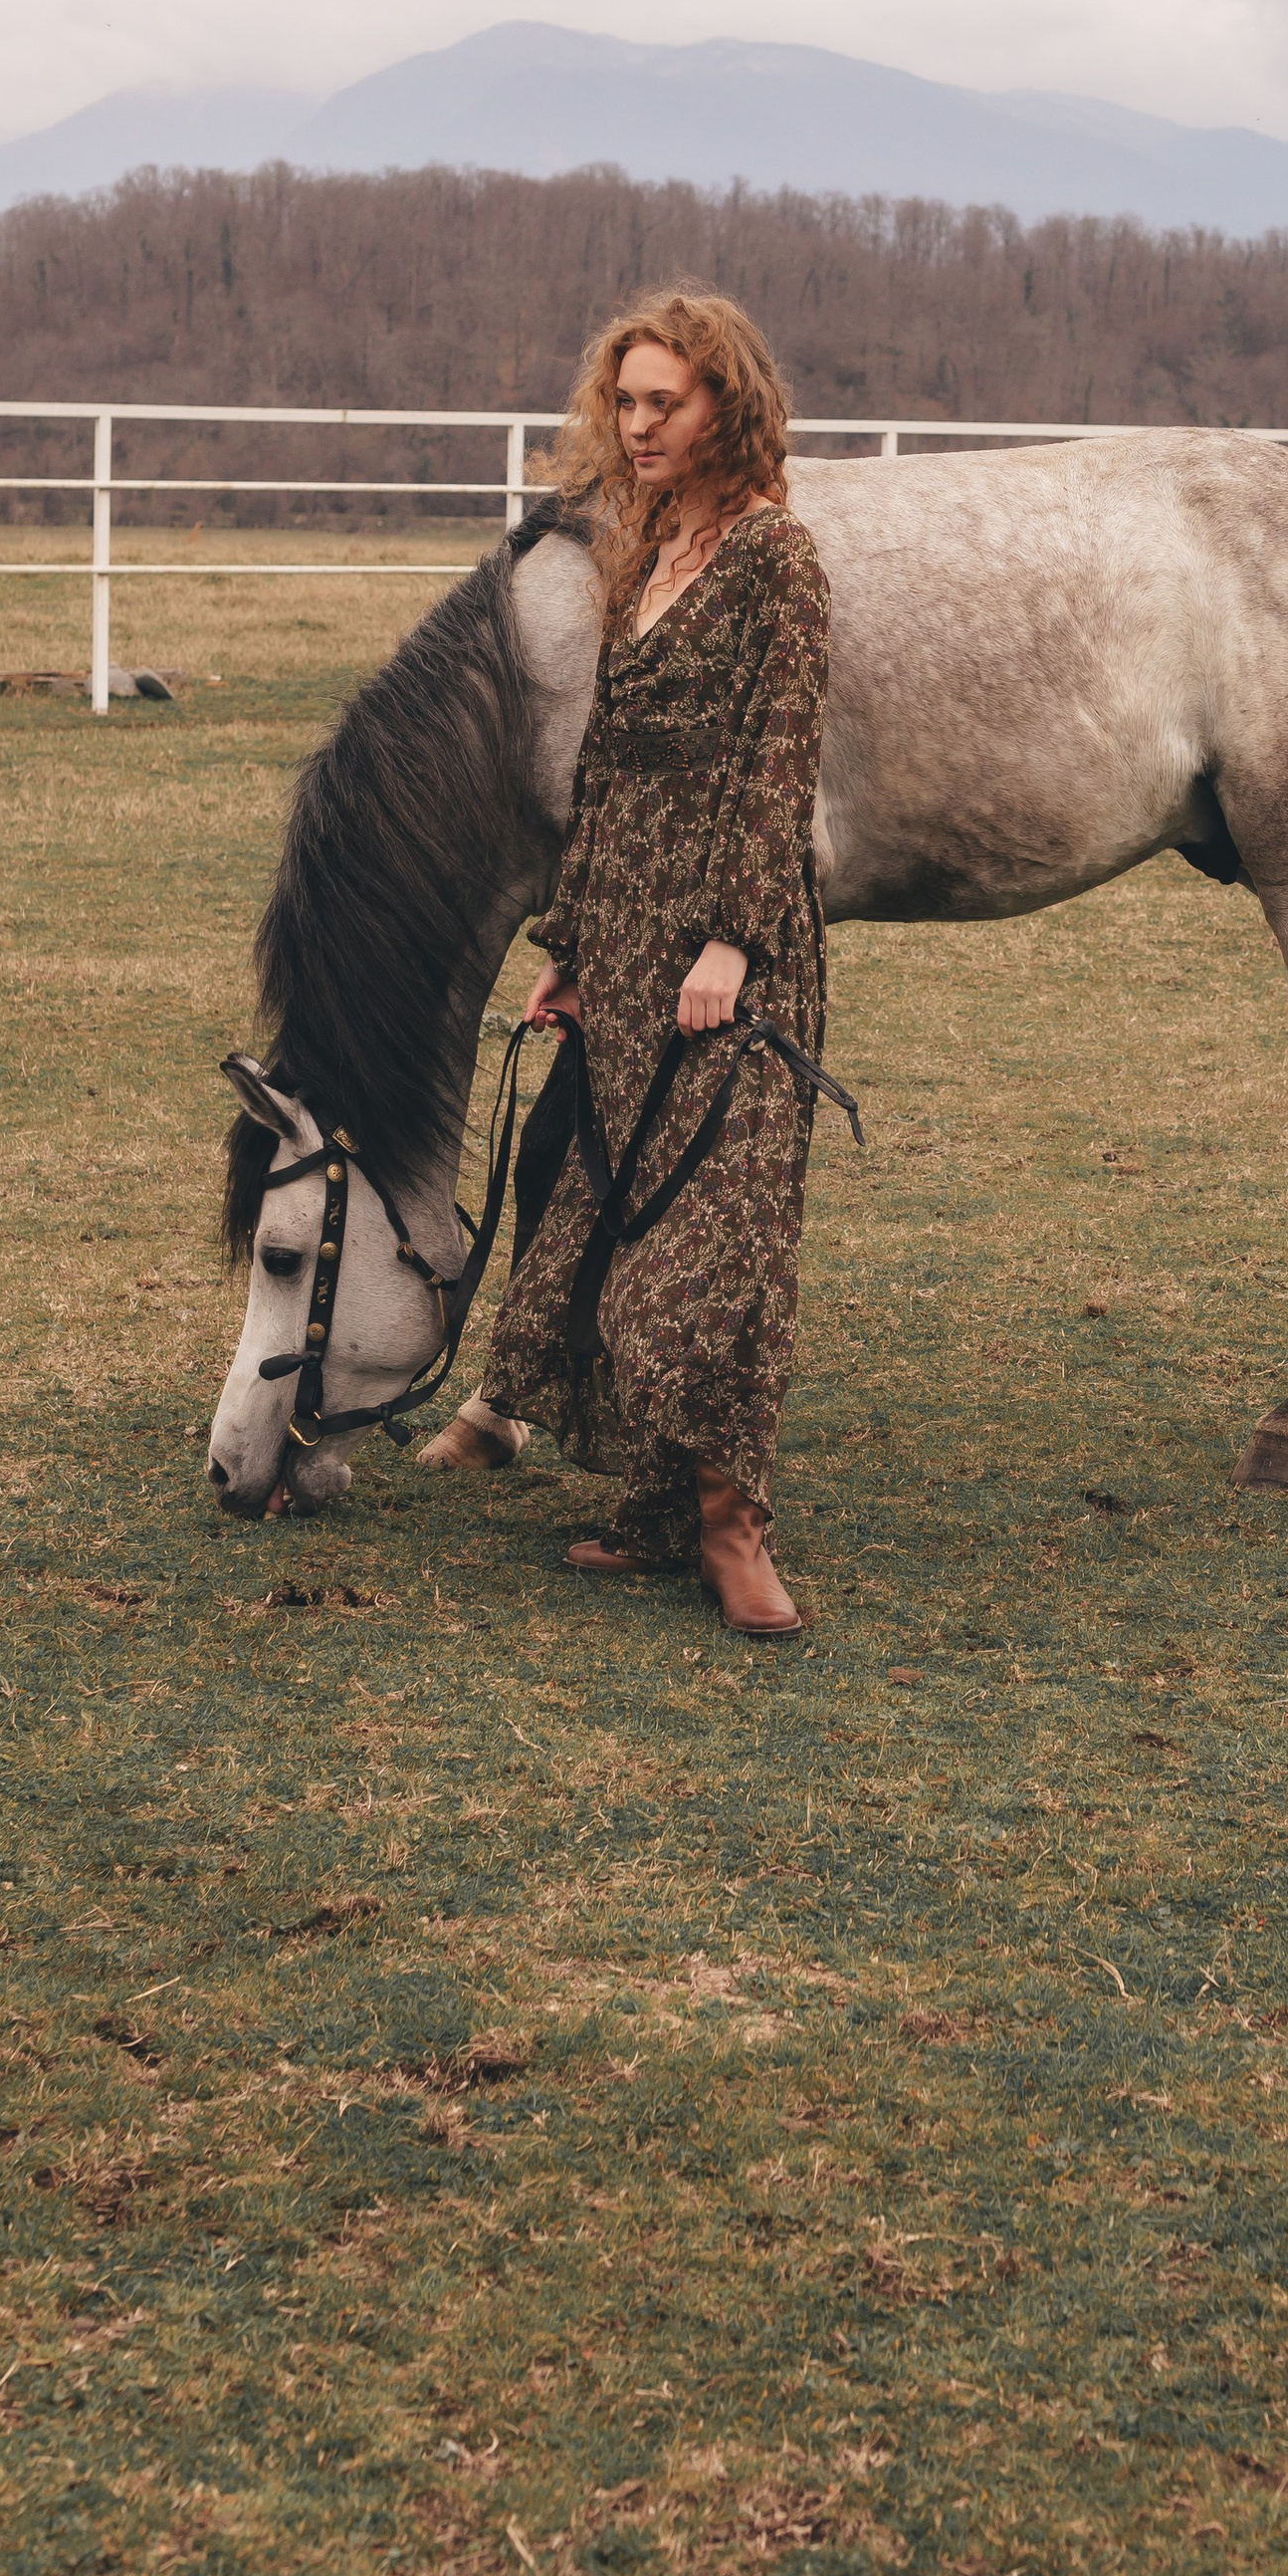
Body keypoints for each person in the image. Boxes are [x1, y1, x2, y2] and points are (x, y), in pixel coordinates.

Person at [423, 292, 831, 1640]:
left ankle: (734, 1528)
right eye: (629, 401)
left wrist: (736, 939)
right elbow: (604, 775)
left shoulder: (779, 562)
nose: (639, 424)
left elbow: (778, 769)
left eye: (668, 401)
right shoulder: (647, 544)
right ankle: (657, 1510)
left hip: (729, 947)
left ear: (730, 406)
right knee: (613, 1217)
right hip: (630, 938)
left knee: (711, 1250)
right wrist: (576, 950)